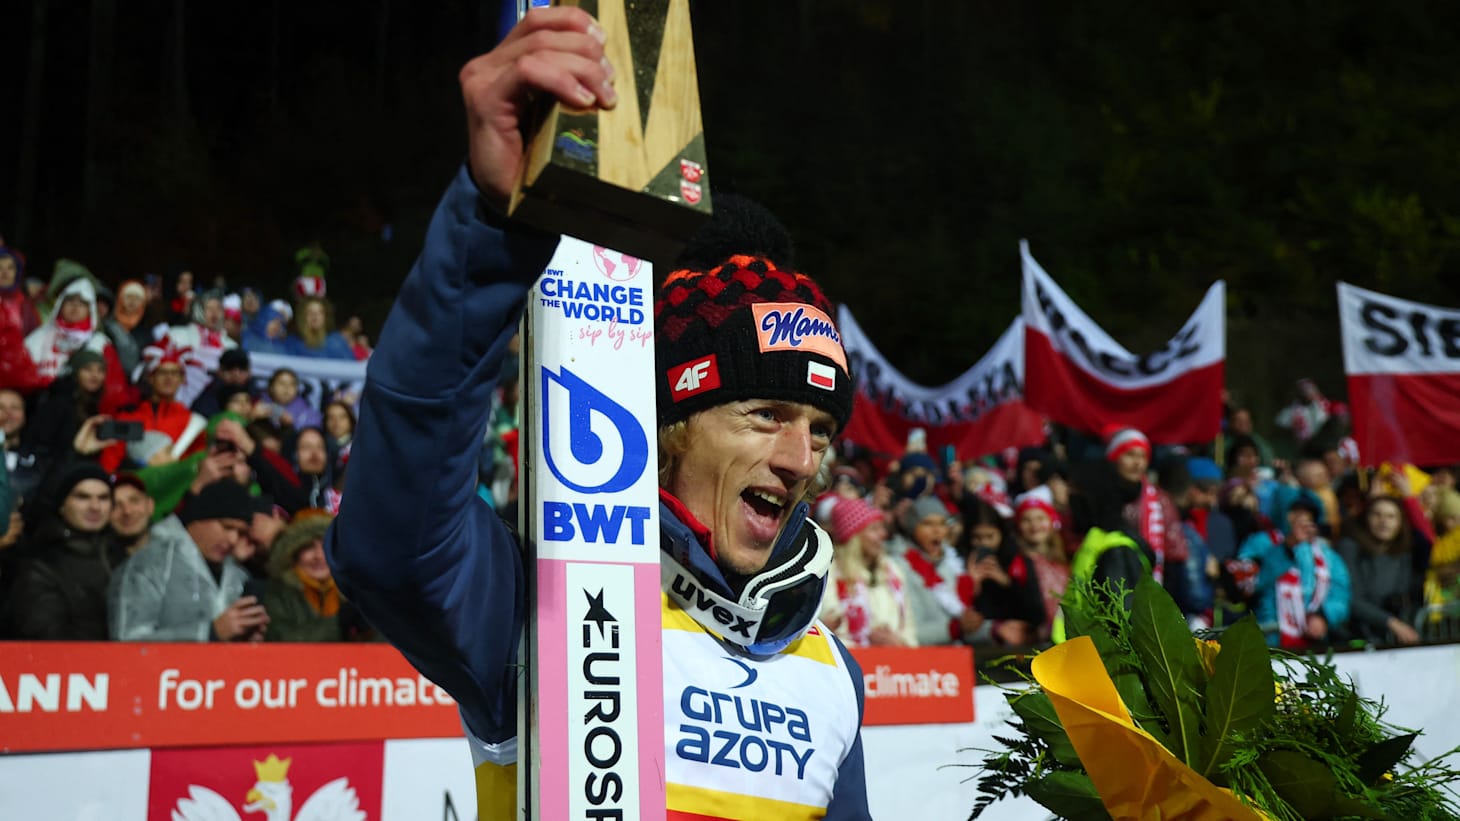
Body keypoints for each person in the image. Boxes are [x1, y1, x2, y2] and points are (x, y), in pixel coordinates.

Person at [326, 10, 871, 818]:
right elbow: (389, 541)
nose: (802, 459)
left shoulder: (832, 669)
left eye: (821, 429)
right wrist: (489, 223)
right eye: (766, 413)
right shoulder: (539, 599)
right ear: (671, 423)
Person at [107, 478, 267, 641]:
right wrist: (209, 633)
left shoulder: (239, 576)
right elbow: (127, 640)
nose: (233, 539)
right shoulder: (148, 566)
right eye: (227, 527)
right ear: (198, 520)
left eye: (241, 532)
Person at [2, 462, 123, 640]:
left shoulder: (123, 556)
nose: (95, 507)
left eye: (103, 498)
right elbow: (47, 636)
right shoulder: (39, 566)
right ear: (62, 505)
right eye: (82, 497)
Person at [1238, 496, 1351, 649]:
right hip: (1268, 638)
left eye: (1308, 514)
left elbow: (1340, 594)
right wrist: (1286, 550)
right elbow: (1251, 583)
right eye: (1294, 512)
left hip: (1314, 644)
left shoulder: (1328, 556)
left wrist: (1324, 616)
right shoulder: (1261, 543)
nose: (1301, 518)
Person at [819, 495, 916, 647]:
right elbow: (830, 627)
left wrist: (899, 643)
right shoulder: (830, 574)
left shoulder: (892, 569)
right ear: (854, 536)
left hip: (897, 658)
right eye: (874, 529)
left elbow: (909, 625)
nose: (883, 534)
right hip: (850, 657)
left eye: (882, 528)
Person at [1336, 495, 1423, 645]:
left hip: (1388, 635)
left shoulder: (1403, 554)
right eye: (1377, 514)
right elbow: (1352, 599)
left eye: (1391, 516)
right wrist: (1392, 623)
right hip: (1351, 634)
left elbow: (1401, 597)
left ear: (1400, 523)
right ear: (1366, 519)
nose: (1384, 521)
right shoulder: (1349, 547)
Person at [262, 511, 346, 642]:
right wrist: (340, 625)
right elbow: (283, 638)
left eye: (326, 546)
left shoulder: (353, 593)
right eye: (308, 547)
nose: (319, 556)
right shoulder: (278, 593)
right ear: (293, 553)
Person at [285, 296, 355, 360]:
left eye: (320, 312)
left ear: (325, 316)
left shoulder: (336, 342)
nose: (315, 317)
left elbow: (350, 366)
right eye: (310, 312)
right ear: (302, 316)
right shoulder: (293, 342)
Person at [110, 473, 156, 555]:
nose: (127, 511)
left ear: (150, 505)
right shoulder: (94, 560)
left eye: (134, 501)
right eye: (115, 505)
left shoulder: (177, 549)